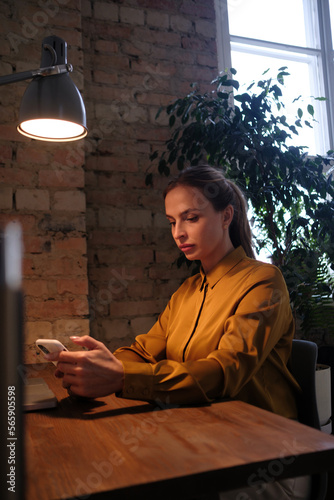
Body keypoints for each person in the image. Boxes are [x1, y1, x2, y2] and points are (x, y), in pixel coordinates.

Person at [47, 165, 310, 499]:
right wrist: (102, 364)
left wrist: (121, 377)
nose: (178, 233)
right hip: (200, 439)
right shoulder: (187, 291)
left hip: (263, 458)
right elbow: (143, 351)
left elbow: (223, 372)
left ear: (225, 215)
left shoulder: (264, 281)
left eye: (191, 218)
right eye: (172, 221)